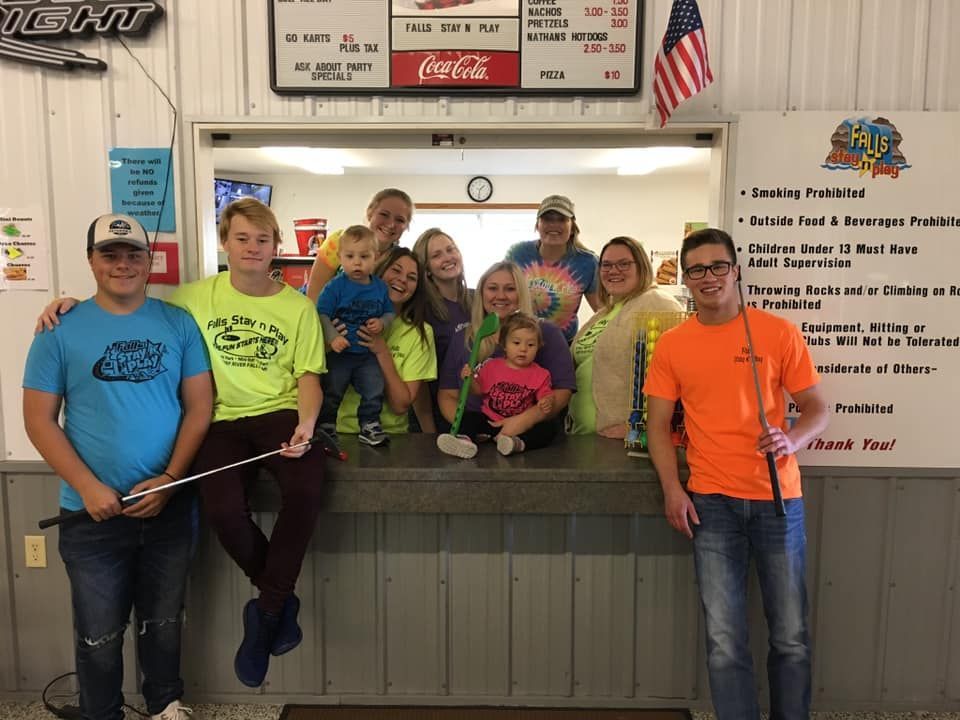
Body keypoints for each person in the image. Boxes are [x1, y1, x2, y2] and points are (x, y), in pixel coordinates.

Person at [23, 213, 213, 720]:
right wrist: (87, 487)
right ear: (91, 261)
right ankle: (101, 711)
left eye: (133, 254)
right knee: (99, 634)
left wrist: (171, 480)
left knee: (165, 621)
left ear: (150, 261)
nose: (122, 264)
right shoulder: (58, 330)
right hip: (91, 516)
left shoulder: (178, 323)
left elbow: (200, 409)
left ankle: (165, 704)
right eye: (110, 253)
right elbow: (39, 421)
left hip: (169, 509)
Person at [643, 228, 829, 720]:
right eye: (697, 269)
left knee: (790, 636)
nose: (709, 277)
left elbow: (816, 408)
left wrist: (793, 438)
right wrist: (671, 489)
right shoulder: (674, 345)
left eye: (718, 266)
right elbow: (658, 428)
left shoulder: (778, 332)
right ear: (686, 279)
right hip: (711, 505)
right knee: (725, 642)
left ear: (736, 270)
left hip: (778, 501)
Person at [437, 261, 575, 453]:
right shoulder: (465, 337)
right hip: (477, 432)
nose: (500, 296)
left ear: (521, 294)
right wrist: (469, 429)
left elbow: (563, 391)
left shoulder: (546, 333)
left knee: (547, 430)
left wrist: (524, 421)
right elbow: (447, 394)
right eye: (492, 288)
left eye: (510, 289)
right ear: (481, 293)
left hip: (525, 431)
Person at [568, 236, 683, 437]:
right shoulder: (604, 312)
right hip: (582, 436)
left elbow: (679, 377)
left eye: (624, 264)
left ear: (642, 266)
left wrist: (641, 428)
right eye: (607, 265)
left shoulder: (659, 303)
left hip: (624, 440)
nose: (613, 271)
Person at [334, 246, 437, 436]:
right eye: (396, 270)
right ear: (378, 271)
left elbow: (400, 405)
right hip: (340, 432)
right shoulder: (341, 314)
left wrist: (381, 351)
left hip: (391, 437)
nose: (403, 280)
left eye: (412, 277)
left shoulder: (419, 333)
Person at [315, 225, 394, 446]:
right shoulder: (335, 287)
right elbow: (321, 313)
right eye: (350, 256)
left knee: (374, 388)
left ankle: (369, 425)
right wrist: (332, 337)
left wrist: (382, 322)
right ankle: (326, 425)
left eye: (364, 256)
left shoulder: (379, 287)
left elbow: (389, 312)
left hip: (366, 353)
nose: (357, 262)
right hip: (341, 352)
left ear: (375, 258)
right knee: (332, 388)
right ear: (340, 258)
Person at [438, 312, 554, 459]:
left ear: (538, 347)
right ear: (504, 345)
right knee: (469, 418)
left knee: (548, 428)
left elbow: (545, 394)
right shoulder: (491, 366)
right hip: (490, 422)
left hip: (517, 427)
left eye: (531, 344)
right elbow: (478, 390)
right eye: (516, 343)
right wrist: (470, 379)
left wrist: (546, 401)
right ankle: (465, 442)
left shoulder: (541, 374)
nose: (523, 349)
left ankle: (516, 444)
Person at [505, 194, 600, 343]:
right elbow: (503, 297)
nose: (554, 225)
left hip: (563, 345)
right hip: (519, 343)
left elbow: (601, 312)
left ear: (573, 227)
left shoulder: (588, 262)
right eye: (547, 219)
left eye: (562, 219)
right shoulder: (518, 253)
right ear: (537, 225)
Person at [410, 228, 472, 433]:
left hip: (478, 408)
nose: (447, 258)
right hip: (439, 414)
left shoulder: (479, 299)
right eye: (436, 255)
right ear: (426, 268)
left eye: (450, 249)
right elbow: (418, 379)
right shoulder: (421, 311)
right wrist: (429, 429)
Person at [305, 188, 414, 303]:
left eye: (400, 220)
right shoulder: (339, 241)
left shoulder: (401, 259)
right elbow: (314, 296)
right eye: (384, 214)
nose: (391, 224)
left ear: (406, 226)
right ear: (370, 213)